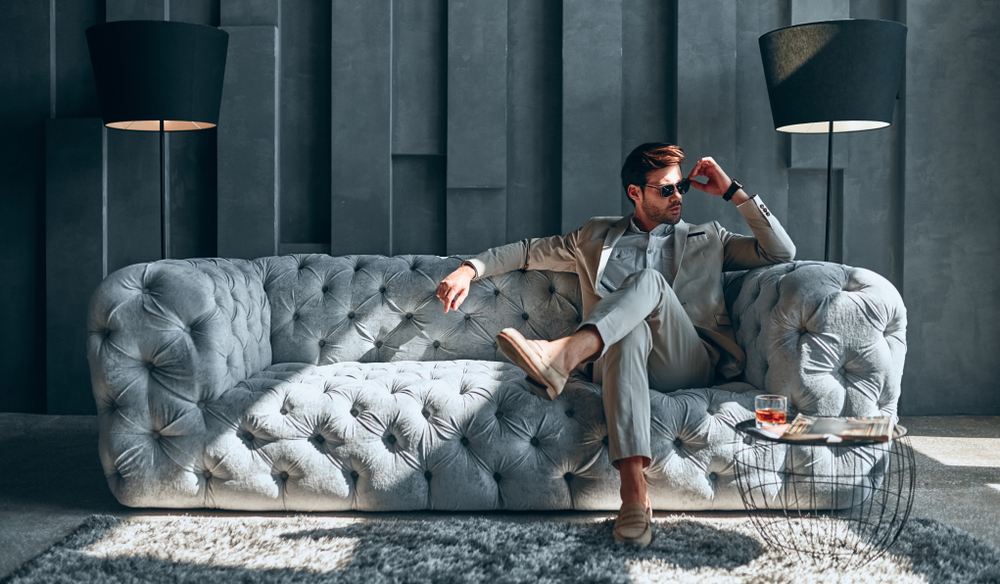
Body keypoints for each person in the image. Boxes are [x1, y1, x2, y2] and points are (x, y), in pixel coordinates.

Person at [435, 142, 795, 546]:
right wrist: (469, 269)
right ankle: (633, 496)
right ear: (635, 193)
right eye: (665, 189)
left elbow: (780, 251)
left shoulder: (709, 237)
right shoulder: (594, 236)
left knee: (648, 282)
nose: (677, 197)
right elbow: (526, 252)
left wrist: (733, 192)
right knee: (629, 332)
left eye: (681, 188)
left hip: (686, 360)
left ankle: (563, 354)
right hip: (616, 361)